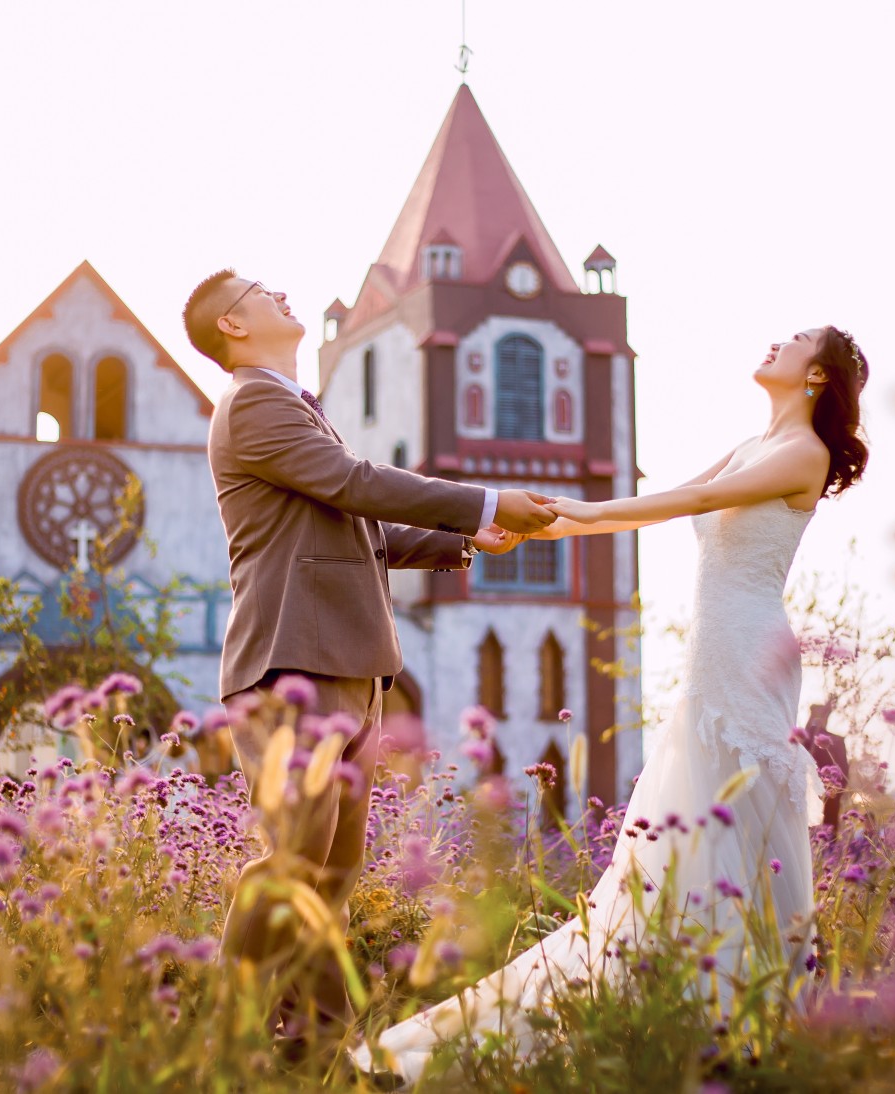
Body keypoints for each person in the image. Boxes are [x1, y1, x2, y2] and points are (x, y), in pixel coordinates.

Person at [351, 326, 871, 1085]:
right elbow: (648, 509)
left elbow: (692, 499)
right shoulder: (751, 444)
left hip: (751, 651)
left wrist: (574, 510)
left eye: (790, 342)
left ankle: (742, 1013)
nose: (770, 344)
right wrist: (534, 522)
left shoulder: (802, 453)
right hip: (712, 653)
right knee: (684, 829)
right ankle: (692, 1005)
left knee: (732, 820)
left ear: (818, 375)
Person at [181, 270, 557, 1066]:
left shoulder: (290, 409)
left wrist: (466, 539)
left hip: (346, 662)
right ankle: (217, 1038)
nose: (279, 290)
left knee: (329, 876)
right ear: (231, 327)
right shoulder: (254, 402)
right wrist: (484, 503)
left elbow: (359, 529)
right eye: (257, 289)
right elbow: (355, 485)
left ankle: (318, 1055)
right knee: (292, 862)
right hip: (295, 662)